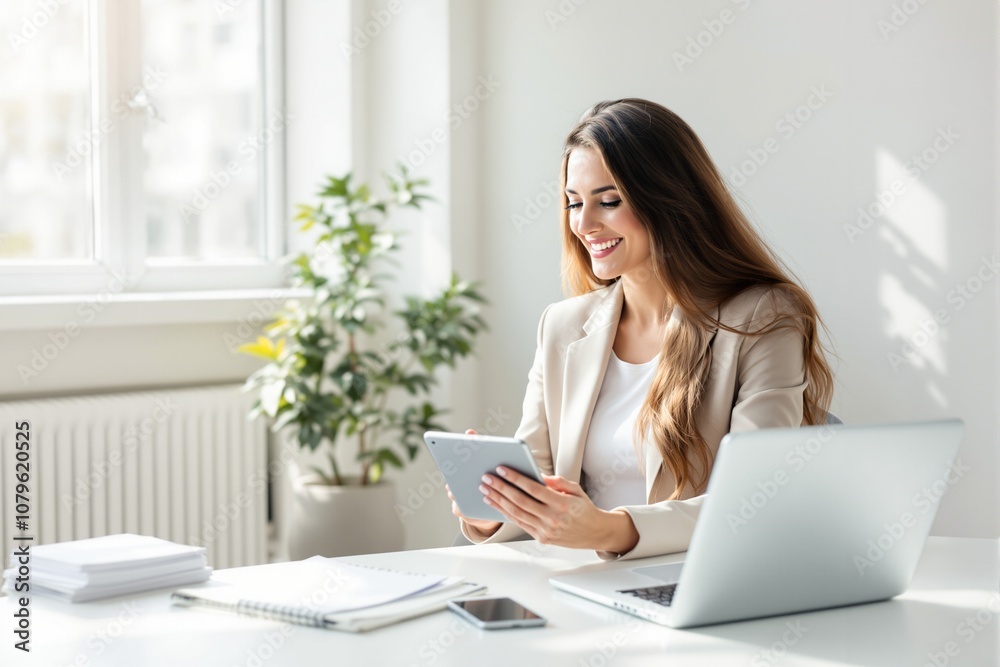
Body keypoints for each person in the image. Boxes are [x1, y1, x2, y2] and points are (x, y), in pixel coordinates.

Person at [450, 98, 834, 561]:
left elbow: (751, 502)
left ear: (668, 199)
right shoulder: (563, 327)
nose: (584, 224)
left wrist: (608, 530)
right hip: (579, 589)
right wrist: (493, 508)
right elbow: (542, 486)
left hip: (694, 584)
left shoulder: (762, 318)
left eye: (609, 201)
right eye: (574, 203)